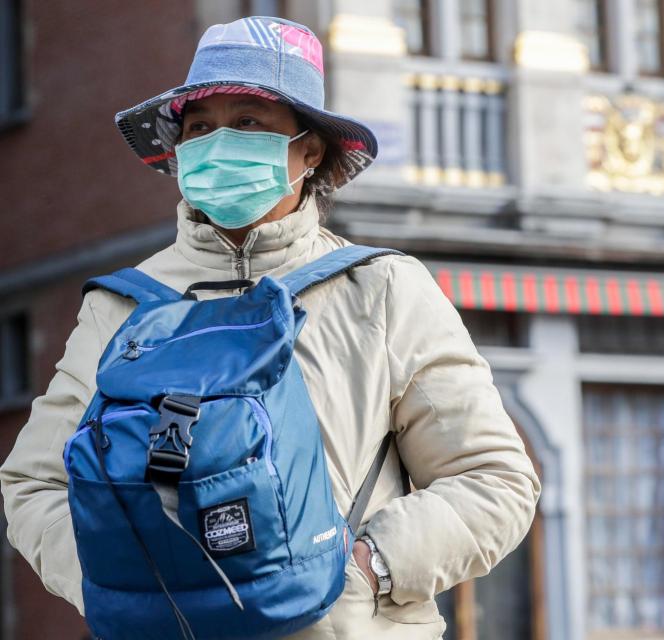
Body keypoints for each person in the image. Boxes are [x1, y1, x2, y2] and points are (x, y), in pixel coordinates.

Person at [0, 15, 541, 639]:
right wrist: (126, 583)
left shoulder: (380, 289)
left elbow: (494, 479)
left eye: (249, 123)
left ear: (310, 151)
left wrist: (366, 570)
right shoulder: (122, 305)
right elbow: (32, 482)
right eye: (200, 127)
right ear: (178, 151)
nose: (219, 142)